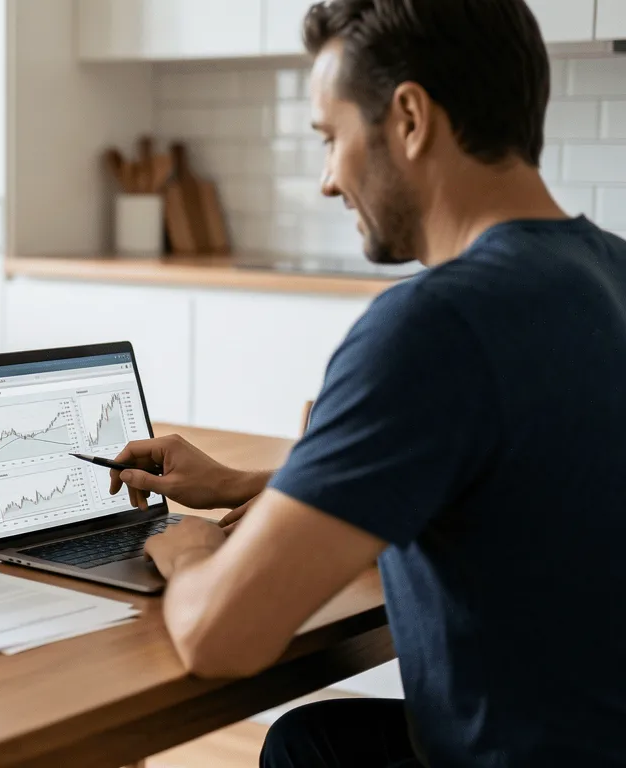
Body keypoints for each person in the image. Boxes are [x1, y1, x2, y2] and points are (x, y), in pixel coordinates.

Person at [110, 1, 626, 766]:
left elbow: (222, 637)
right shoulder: (609, 272)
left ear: (410, 117)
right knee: (311, 745)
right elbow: (515, 471)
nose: (326, 180)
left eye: (330, 137)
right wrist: (257, 480)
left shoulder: (434, 324)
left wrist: (187, 550)